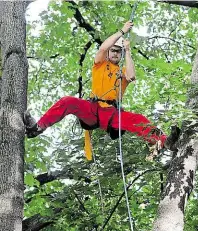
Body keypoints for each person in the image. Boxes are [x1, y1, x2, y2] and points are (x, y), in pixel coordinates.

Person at [24, 21, 180, 157]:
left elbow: (132, 76)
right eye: (113, 50)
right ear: (108, 52)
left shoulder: (123, 71)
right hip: (93, 108)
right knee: (67, 101)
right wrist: (122, 31)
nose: (115, 53)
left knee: (138, 120)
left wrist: (128, 52)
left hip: (112, 113)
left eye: (118, 51)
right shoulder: (100, 64)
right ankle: (37, 128)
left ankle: (165, 142)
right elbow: (103, 47)